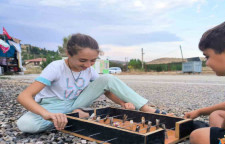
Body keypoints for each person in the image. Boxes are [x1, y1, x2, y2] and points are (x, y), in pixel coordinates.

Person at [17, 33, 168, 133]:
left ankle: (145, 107)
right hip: (53, 105)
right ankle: (76, 116)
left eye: (93, 61)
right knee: (25, 125)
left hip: (76, 102)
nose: (88, 65)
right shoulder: (56, 67)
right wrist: (47, 114)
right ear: (69, 54)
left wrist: (123, 103)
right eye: (82, 60)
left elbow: (106, 88)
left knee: (107, 77)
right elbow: (24, 97)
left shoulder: (89, 69)